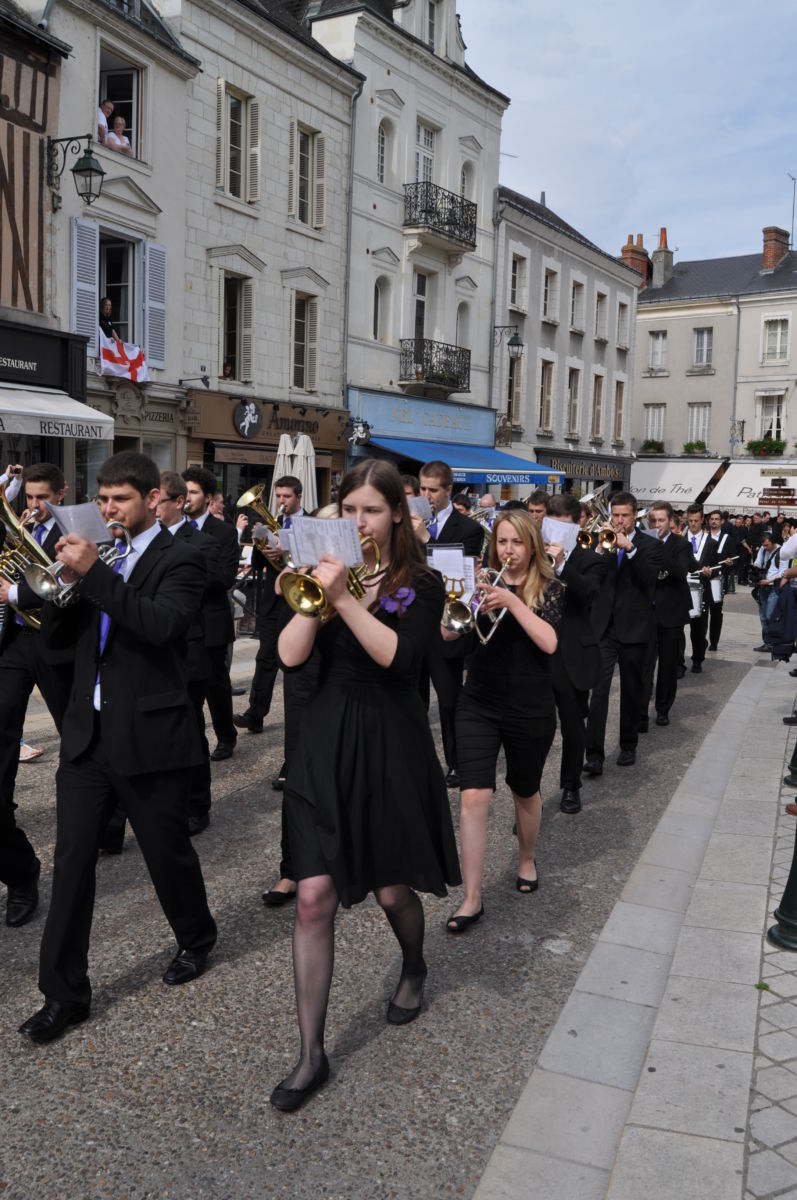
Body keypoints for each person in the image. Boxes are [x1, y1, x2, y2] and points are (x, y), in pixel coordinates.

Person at [270, 459, 459, 1112]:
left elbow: (400, 659)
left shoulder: (418, 585)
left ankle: (413, 962)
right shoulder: (323, 573)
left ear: (397, 516)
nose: (356, 521)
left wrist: (346, 599)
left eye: (370, 510)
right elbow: (290, 656)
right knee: (314, 897)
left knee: (389, 889)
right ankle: (310, 1052)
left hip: (387, 744)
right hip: (321, 742)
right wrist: (313, 595)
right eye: (348, 508)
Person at [19, 452, 217, 1045]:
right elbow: (61, 644)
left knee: (166, 853)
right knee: (72, 864)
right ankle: (64, 994)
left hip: (150, 734)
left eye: (120, 500)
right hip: (87, 734)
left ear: (153, 499)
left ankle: (196, 934)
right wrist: (57, 592)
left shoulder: (183, 556)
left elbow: (159, 626)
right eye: (102, 500)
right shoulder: (99, 556)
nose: (109, 510)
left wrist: (94, 578)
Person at [444, 510, 562, 929]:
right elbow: (448, 634)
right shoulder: (482, 581)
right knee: (473, 795)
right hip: (479, 700)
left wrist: (512, 601)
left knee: (525, 790)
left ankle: (526, 857)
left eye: (515, 543)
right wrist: (461, 597)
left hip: (530, 705)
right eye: (501, 543)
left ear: (531, 546)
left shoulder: (550, 588)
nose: (507, 551)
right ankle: (471, 898)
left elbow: (549, 642)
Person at [0, 463, 74, 928]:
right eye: (28, 498)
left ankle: (103, 812)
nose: (32, 507)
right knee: (3, 726)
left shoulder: (74, 532)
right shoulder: (17, 529)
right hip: (14, 645)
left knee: (74, 727)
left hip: (56, 644)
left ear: (61, 493)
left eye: (41, 497)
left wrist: (15, 593)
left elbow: (67, 590)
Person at [412, 460, 483, 786]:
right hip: (413, 623)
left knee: (450, 700)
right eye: (422, 489)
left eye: (433, 490)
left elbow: (457, 575)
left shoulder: (468, 529)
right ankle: (417, 760)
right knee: (413, 700)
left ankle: (456, 762)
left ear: (448, 491)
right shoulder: (408, 524)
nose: (426, 496)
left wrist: (426, 539)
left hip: (445, 624)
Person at [584, 492, 662, 773]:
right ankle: (593, 755)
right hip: (604, 628)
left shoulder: (650, 545)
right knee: (599, 692)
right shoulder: (599, 540)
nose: (618, 521)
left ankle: (628, 745)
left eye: (624, 516)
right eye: (614, 515)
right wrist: (600, 550)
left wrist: (630, 548)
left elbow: (649, 580)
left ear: (635, 515)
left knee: (632, 690)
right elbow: (588, 579)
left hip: (635, 628)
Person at [545, 493, 606, 814]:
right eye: (549, 526)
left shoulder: (590, 559)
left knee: (572, 727)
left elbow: (587, 594)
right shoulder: (533, 554)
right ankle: (527, 799)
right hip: (537, 654)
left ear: (578, 524)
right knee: (533, 728)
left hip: (572, 655)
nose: (553, 535)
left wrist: (563, 564)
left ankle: (571, 786)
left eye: (561, 527)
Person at [235, 476, 303, 749]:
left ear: (298, 496)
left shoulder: (309, 522)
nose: (281, 501)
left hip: (297, 598)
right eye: (278, 496)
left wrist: (288, 552)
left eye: (286, 496)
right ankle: (255, 713)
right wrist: (260, 542)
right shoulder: (274, 521)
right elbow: (257, 563)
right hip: (273, 600)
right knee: (265, 658)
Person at [182, 467, 240, 760]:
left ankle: (226, 736)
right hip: (182, 622)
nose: (187, 498)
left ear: (207, 497)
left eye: (193, 492)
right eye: (184, 492)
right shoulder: (174, 529)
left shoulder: (225, 532)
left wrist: (181, 579)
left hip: (212, 621)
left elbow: (226, 576)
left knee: (216, 684)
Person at [642, 502, 700, 728]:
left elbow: (680, 571)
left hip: (671, 612)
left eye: (661, 521)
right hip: (647, 610)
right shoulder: (643, 540)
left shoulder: (680, 544)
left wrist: (657, 548)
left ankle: (663, 708)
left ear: (670, 521)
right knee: (644, 664)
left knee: (667, 665)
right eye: (653, 521)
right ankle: (640, 709)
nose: (657, 525)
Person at [705, 509, 736, 651]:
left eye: (717, 519)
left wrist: (731, 562)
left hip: (719, 579)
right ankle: (701, 639)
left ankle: (714, 641)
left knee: (716, 610)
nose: (714, 521)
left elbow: (734, 557)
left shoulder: (727, 539)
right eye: (712, 519)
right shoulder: (704, 537)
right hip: (704, 578)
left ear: (721, 521)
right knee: (702, 610)